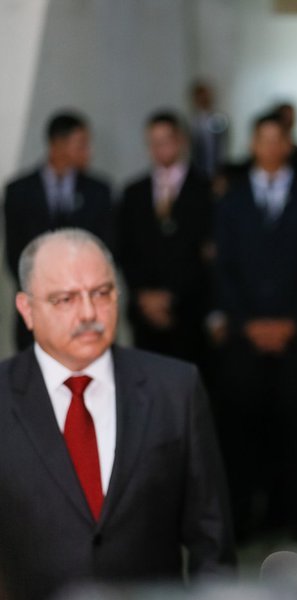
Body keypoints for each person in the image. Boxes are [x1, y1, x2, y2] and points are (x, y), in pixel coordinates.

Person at [0, 229, 234, 600]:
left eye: (101, 293)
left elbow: (213, 540)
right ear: (27, 309)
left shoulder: (174, 389)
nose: (89, 313)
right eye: (65, 299)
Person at [214, 112, 297, 542]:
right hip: (246, 335)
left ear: (287, 145)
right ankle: (245, 514)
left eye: (278, 139)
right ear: (253, 146)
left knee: (295, 424)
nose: (271, 147)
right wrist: (249, 324)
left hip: (294, 333)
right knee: (244, 425)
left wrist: (288, 322)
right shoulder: (232, 201)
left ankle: (295, 513)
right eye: (263, 139)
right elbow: (224, 270)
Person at [4, 110, 114, 350]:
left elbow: (104, 247)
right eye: (81, 144)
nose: (89, 151)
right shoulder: (19, 192)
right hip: (36, 311)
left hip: (86, 313)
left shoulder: (98, 191)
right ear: (59, 144)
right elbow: (15, 253)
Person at [117, 110, 214, 369]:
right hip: (143, 311)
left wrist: (172, 296)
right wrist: (144, 294)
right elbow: (125, 248)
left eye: (166, 140)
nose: (160, 148)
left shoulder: (206, 190)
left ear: (180, 140)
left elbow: (206, 253)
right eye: (153, 142)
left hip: (189, 311)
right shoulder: (133, 192)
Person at [189, 80, 230, 179]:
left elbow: (223, 145)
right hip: (197, 169)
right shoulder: (192, 121)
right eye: (200, 97)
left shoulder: (218, 118)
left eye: (205, 96)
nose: (203, 99)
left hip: (217, 167)